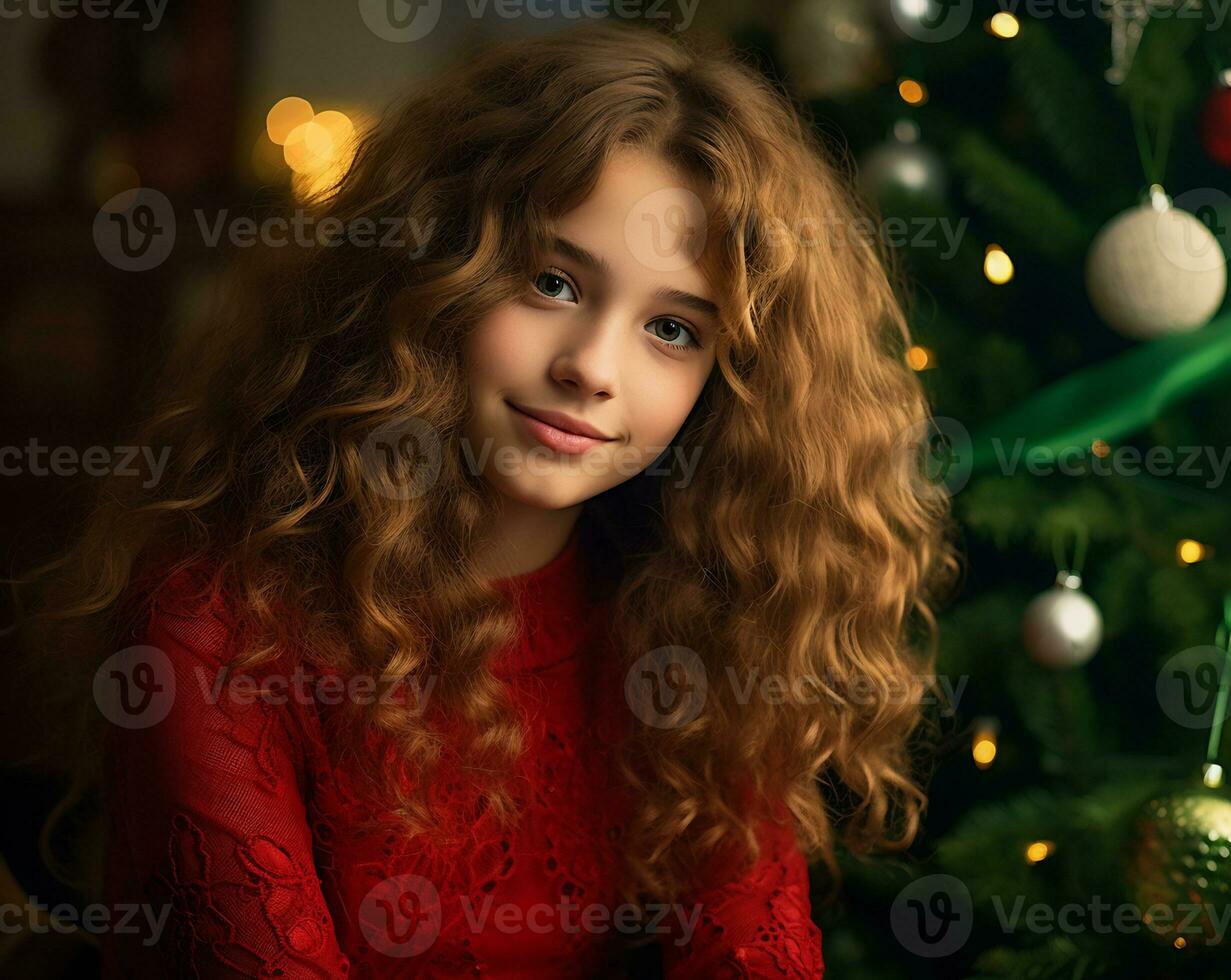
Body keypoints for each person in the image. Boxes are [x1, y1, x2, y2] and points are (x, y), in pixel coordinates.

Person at [6, 21, 962, 977]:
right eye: (552, 281)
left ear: (727, 384)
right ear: (428, 274)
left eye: (672, 330)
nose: (591, 367)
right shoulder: (215, 628)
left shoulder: (689, 627)